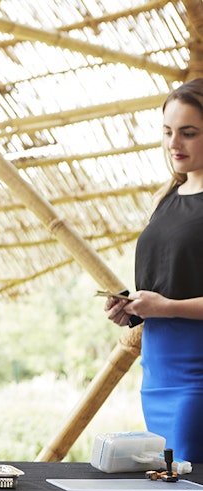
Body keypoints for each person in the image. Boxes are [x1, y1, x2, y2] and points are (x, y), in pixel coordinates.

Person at [105, 78, 203, 463]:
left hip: (196, 374)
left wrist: (166, 307)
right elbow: (170, 282)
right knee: (168, 489)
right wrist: (131, 308)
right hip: (157, 371)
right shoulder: (166, 198)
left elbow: (171, 300)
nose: (173, 144)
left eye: (188, 133)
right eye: (167, 132)